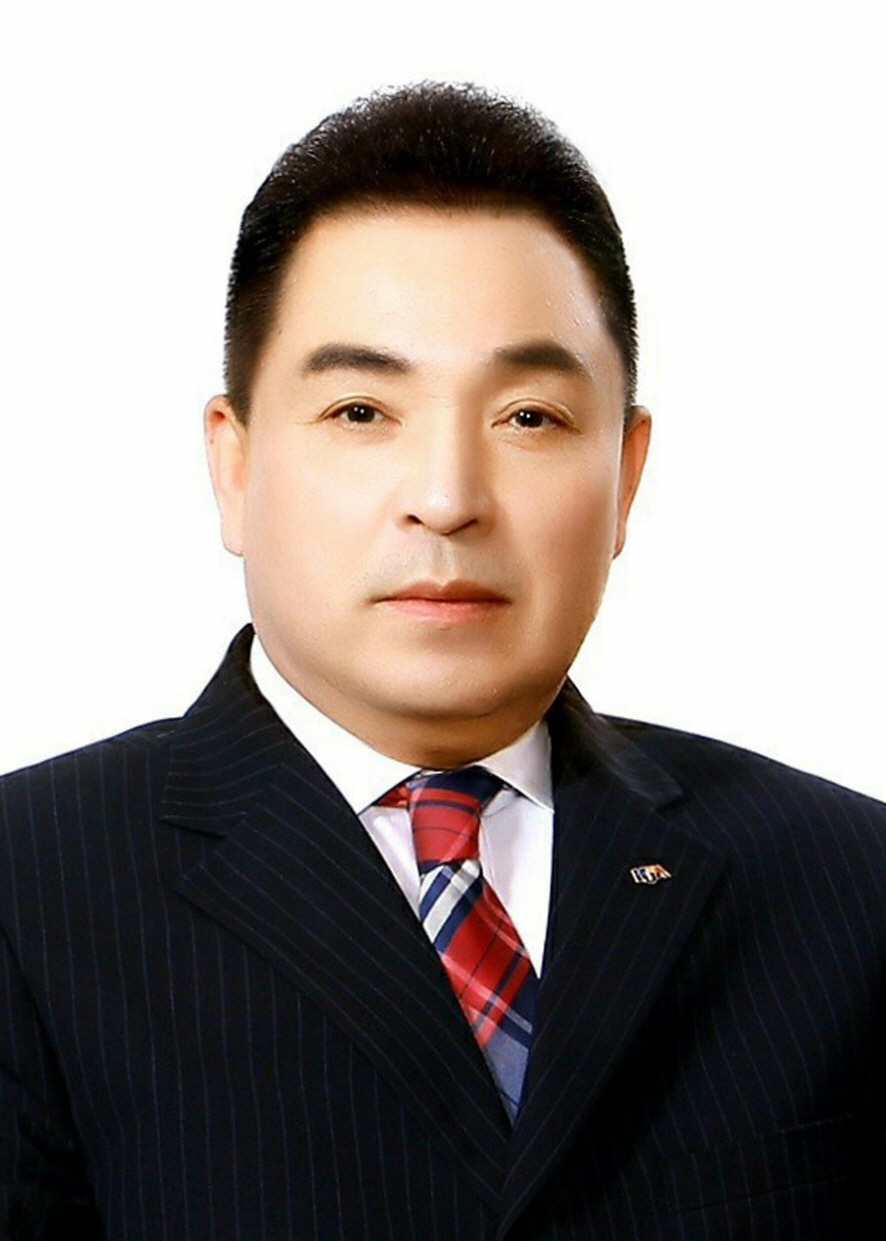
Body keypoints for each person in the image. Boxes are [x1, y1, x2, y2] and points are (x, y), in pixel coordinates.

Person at [0, 83, 883, 1241]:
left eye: (529, 417)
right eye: (362, 411)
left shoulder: (846, 888)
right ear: (235, 464)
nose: (447, 497)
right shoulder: (30, 890)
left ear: (624, 475)